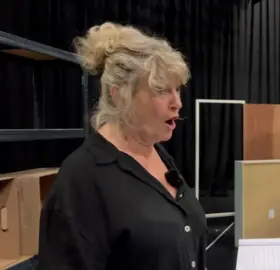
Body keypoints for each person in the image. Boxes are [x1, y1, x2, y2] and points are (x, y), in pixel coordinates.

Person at [37, 22, 207, 270]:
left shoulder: (158, 154)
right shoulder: (82, 178)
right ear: (119, 95)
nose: (177, 103)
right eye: (161, 90)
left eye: (178, 89)